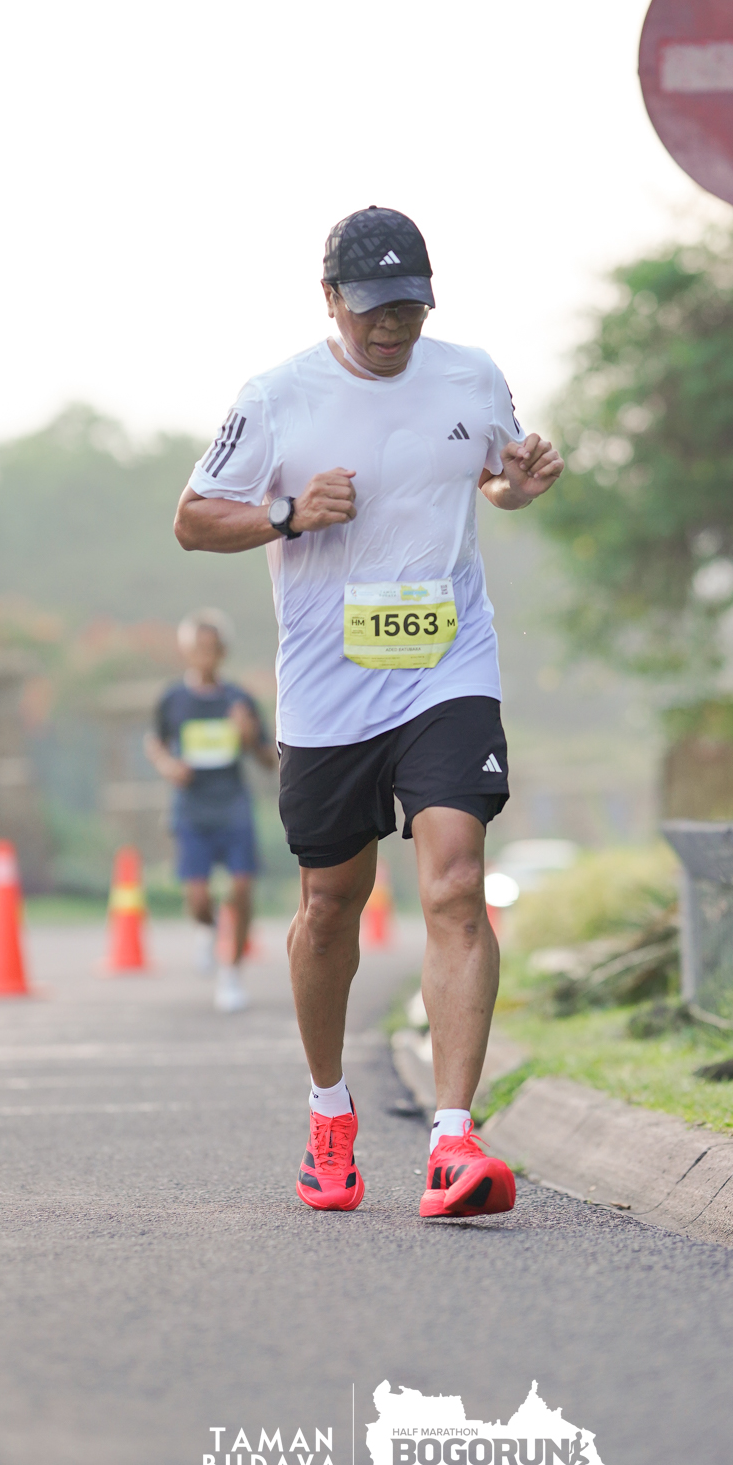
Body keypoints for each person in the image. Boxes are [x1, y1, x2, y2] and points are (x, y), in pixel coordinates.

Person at [173, 206, 562, 1214]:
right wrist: (288, 512)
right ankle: (328, 1110)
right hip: (328, 690)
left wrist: (517, 487)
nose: (392, 326)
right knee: (328, 907)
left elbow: (494, 478)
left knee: (456, 884)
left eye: (409, 308)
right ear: (330, 299)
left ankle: (452, 1141)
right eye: (374, 307)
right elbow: (192, 519)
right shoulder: (277, 397)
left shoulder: (471, 376)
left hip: (447, 669)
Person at [145, 609, 276, 1014]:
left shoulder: (240, 700)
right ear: (185, 651)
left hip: (233, 804)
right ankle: (207, 929)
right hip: (192, 809)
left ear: (224, 652)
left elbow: (270, 760)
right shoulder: (173, 699)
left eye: (213, 648)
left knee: (242, 889)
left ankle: (231, 975)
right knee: (199, 899)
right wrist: (168, 767)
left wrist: (249, 737)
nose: (206, 655)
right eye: (198, 647)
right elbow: (155, 742)